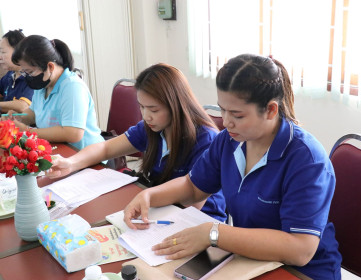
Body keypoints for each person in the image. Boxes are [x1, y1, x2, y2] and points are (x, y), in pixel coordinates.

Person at [122, 55, 342, 279]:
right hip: (250, 259)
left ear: (271, 110)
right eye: (223, 110)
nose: (226, 122)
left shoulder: (306, 159)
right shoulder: (229, 141)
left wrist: (214, 233)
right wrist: (150, 196)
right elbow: (194, 186)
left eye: (237, 115)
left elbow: (300, 250)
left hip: (300, 272)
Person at [47, 63, 227, 222]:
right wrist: (71, 163)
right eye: (141, 107)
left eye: (154, 109)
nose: (146, 116)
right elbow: (106, 148)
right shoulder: (152, 128)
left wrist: (149, 197)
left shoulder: (205, 139)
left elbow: (193, 203)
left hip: (199, 220)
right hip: (159, 209)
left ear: (176, 105)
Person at [8, 35, 103, 150]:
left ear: (50, 67)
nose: (27, 77)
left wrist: (28, 131)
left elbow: (73, 133)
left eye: (29, 72)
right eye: (24, 72)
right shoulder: (43, 84)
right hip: (58, 151)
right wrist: (18, 118)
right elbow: (33, 113)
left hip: (85, 155)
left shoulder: (72, 87)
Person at [0, 29, 33, 113]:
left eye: (3, 52)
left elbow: (23, 106)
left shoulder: (33, 76)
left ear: (18, 51)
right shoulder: (9, 75)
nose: (0, 57)